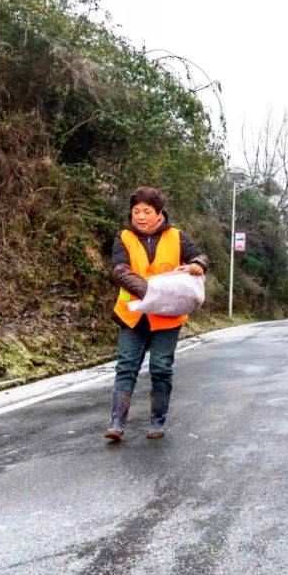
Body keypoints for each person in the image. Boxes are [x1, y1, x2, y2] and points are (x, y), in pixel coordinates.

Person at [104, 186, 208, 441]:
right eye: (136, 211)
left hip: (166, 316)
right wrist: (148, 290)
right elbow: (119, 269)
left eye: (146, 211)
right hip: (133, 315)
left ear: (159, 213)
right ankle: (116, 424)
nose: (139, 216)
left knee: (161, 368)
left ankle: (157, 423)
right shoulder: (124, 237)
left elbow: (200, 256)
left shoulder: (176, 236)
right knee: (126, 367)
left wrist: (197, 265)